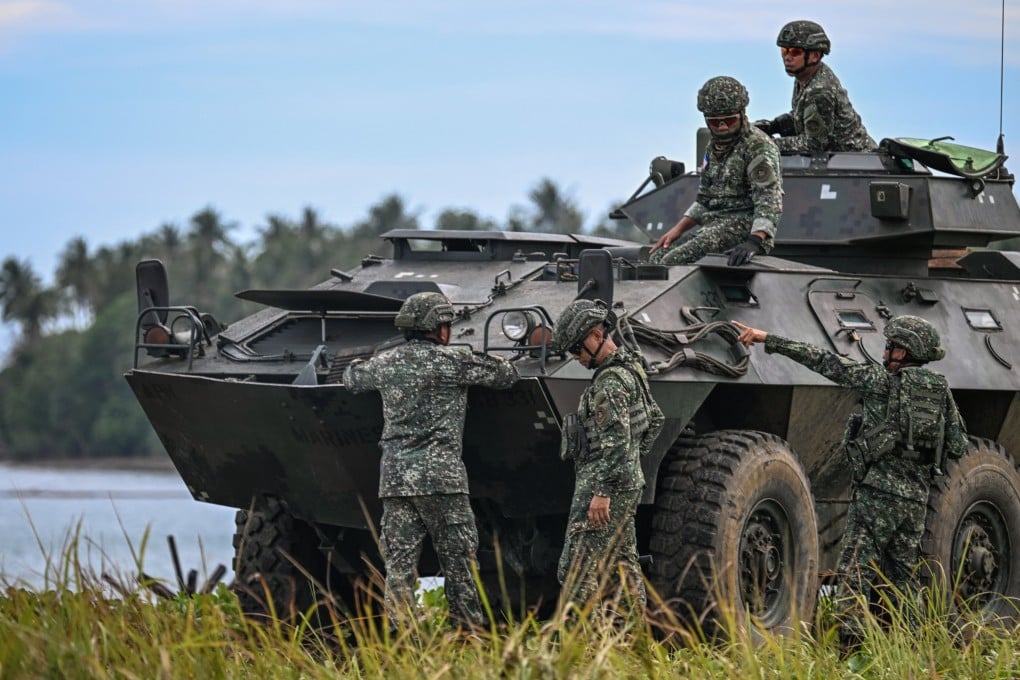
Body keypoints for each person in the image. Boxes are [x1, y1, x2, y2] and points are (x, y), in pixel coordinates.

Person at [732, 315, 968, 650]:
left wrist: (767, 338)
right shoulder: (941, 391)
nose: (885, 352)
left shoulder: (880, 381)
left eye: (890, 346)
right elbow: (958, 444)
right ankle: (914, 651)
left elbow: (824, 361)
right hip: (915, 502)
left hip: (875, 497)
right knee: (905, 580)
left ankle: (850, 650)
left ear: (904, 352)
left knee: (854, 574)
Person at [343, 291, 519, 628]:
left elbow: (352, 378)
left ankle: (401, 636)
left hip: (395, 481)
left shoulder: (386, 363)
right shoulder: (452, 361)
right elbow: (506, 375)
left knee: (398, 566)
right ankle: (467, 632)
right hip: (442, 481)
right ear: (439, 329)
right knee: (459, 562)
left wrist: (365, 358)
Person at [551, 299, 664, 613]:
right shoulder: (631, 369)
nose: (576, 357)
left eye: (577, 349)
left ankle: (577, 640)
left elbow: (615, 443)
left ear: (595, 336)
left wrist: (602, 492)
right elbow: (655, 419)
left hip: (603, 487)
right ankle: (633, 635)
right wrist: (631, 461)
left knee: (576, 568)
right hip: (625, 483)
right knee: (623, 564)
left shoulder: (610, 383)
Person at [649, 76, 783, 267]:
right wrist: (676, 231)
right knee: (656, 258)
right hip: (714, 224)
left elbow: (769, 198)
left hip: (742, 226)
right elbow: (704, 199)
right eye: (715, 122)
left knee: (671, 262)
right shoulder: (714, 147)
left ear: (741, 114)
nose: (722, 126)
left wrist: (755, 241)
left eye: (729, 120)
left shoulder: (758, 147)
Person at [754, 20, 876, 153]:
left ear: (815, 56)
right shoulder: (806, 76)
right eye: (784, 51)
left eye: (795, 52)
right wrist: (772, 126)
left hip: (853, 159)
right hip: (840, 158)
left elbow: (814, 144)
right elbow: (803, 115)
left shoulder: (819, 90)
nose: (787, 57)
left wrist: (767, 143)